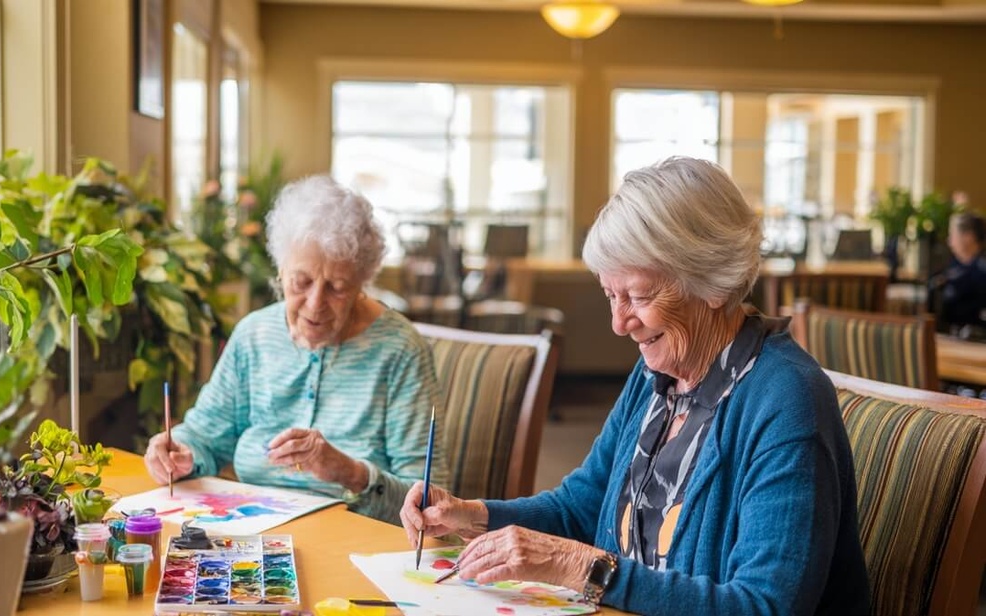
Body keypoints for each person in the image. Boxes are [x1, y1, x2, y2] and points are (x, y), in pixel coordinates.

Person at [401, 157, 869, 615]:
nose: (619, 324)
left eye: (640, 296)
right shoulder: (657, 376)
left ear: (715, 283)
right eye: (611, 295)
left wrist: (584, 568)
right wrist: (472, 515)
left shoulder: (787, 400)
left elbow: (765, 605)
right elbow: (581, 509)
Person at [145, 175, 447, 525]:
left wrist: (350, 473)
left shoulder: (400, 351)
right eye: (301, 282)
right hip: (253, 532)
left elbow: (430, 500)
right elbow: (204, 435)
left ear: (361, 284)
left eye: (337, 288)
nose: (315, 304)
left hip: (358, 542)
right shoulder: (254, 335)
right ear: (280, 270)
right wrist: (177, 450)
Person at [938, 211, 986, 337]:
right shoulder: (953, 267)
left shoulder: (981, 271)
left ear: (968, 237)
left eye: (953, 236)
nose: (949, 242)